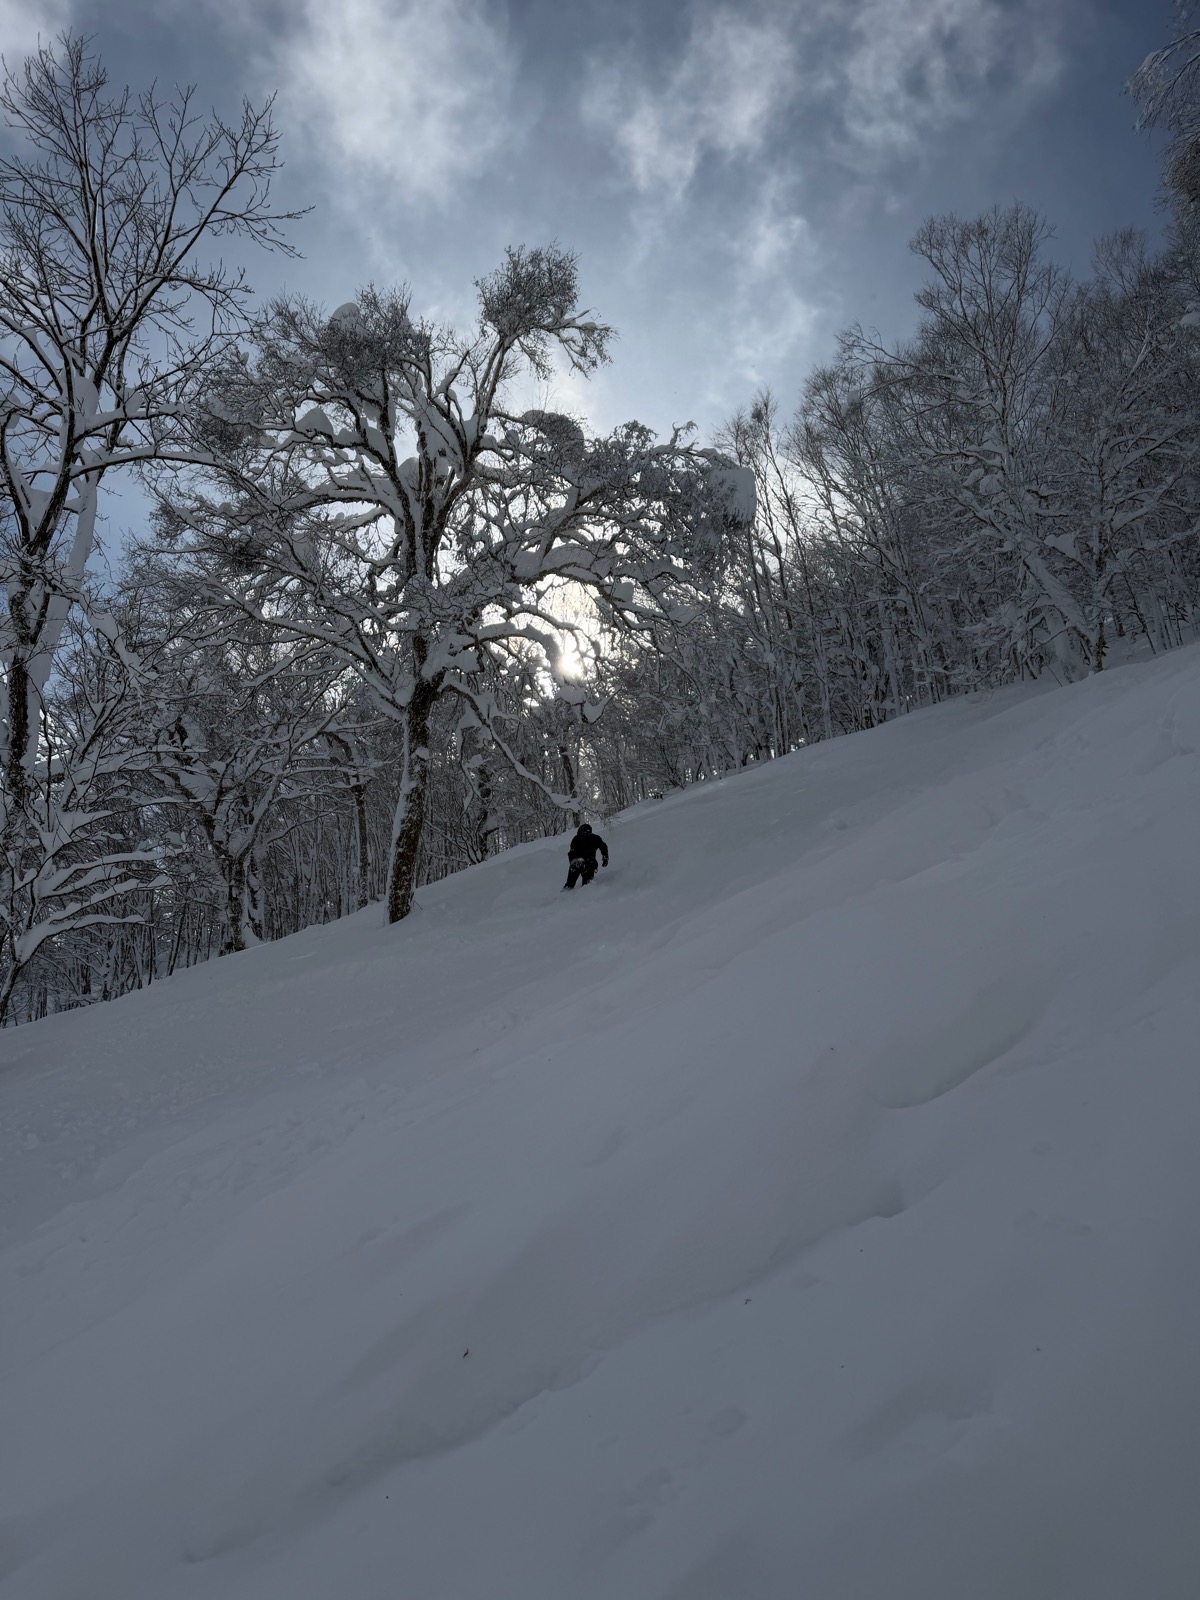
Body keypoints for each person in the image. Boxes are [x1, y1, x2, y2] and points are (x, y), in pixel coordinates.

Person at [563, 822, 608, 889]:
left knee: (570, 884)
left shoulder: (576, 838)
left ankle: (566, 894)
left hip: (579, 862)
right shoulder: (595, 838)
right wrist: (605, 858)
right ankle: (585, 895)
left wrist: (573, 862)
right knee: (587, 884)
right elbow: (603, 847)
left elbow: (571, 853)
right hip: (588, 863)